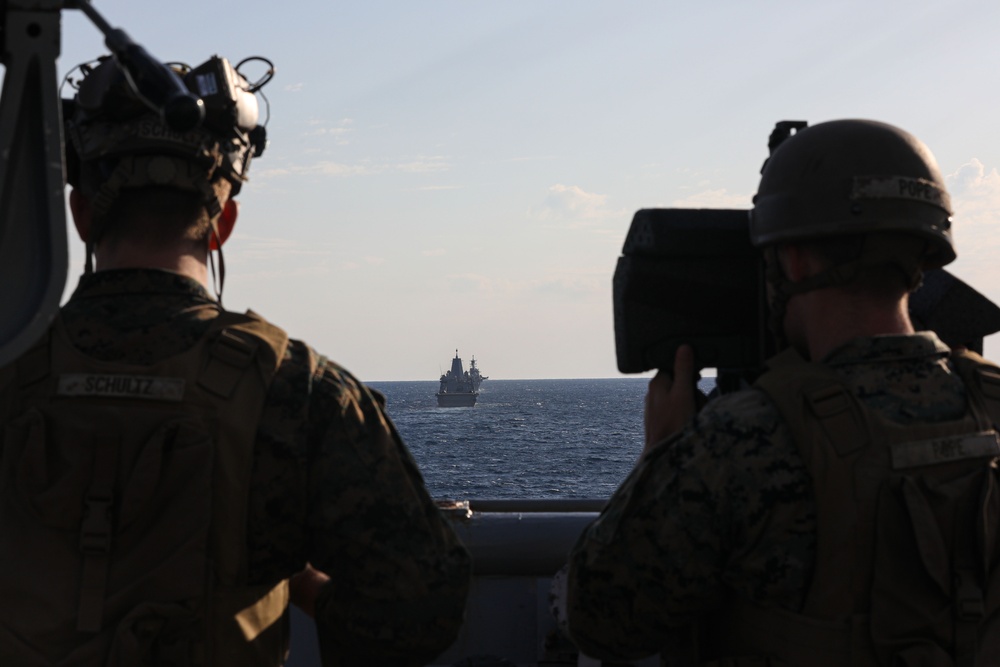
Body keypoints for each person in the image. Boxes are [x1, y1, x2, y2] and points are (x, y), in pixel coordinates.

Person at [0, 54, 470, 666]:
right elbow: (418, 612)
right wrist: (301, 585)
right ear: (223, 222)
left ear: (81, 213)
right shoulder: (296, 390)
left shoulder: (12, 367)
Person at [563, 119, 1000, 665]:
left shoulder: (745, 437)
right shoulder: (991, 405)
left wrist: (661, 452)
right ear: (925, 256)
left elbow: (600, 620)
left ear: (792, 259)